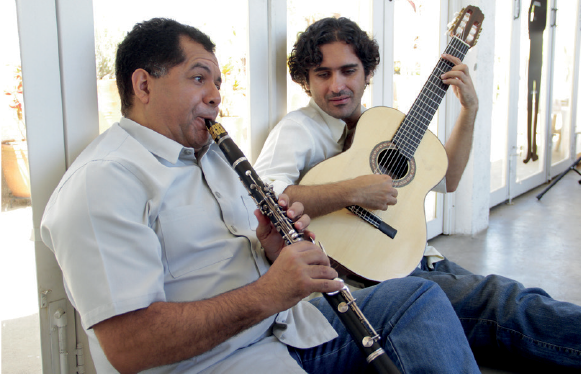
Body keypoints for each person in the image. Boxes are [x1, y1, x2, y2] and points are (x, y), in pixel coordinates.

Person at [40, 18, 481, 374]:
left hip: (287, 327)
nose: (215, 96)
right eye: (199, 79)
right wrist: (270, 292)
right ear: (143, 85)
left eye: (217, 82)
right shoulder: (102, 182)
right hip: (225, 359)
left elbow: (447, 177)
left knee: (419, 297)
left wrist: (271, 248)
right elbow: (130, 346)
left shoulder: (211, 155)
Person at [254, 17, 581, 372]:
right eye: (322, 74)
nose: (337, 85)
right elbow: (266, 196)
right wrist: (353, 190)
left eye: (348, 70)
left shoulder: (381, 124)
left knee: (513, 300)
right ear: (306, 81)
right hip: (363, 275)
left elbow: (447, 179)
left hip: (410, 256)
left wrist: (469, 111)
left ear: (367, 72)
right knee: (501, 301)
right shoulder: (298, 129)